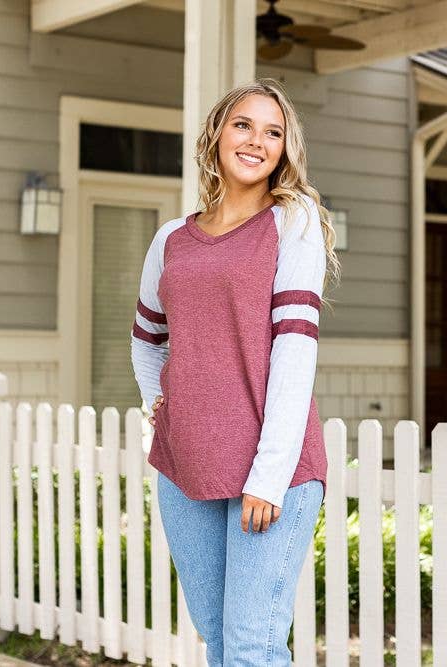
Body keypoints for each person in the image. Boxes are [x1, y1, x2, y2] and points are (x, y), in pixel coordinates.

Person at [129, 77, 341, 666]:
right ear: (218, 134)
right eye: (243, 125)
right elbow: (147, 340)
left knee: (253, 646)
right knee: (220, 641)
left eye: (273, 132)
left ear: (284, 150)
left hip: (273, 473)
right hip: (186, 462)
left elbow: (295, 350)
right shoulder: (172, 238)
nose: (256, 141)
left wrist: (269, 475)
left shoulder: (291, 223)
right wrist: (160, 408)